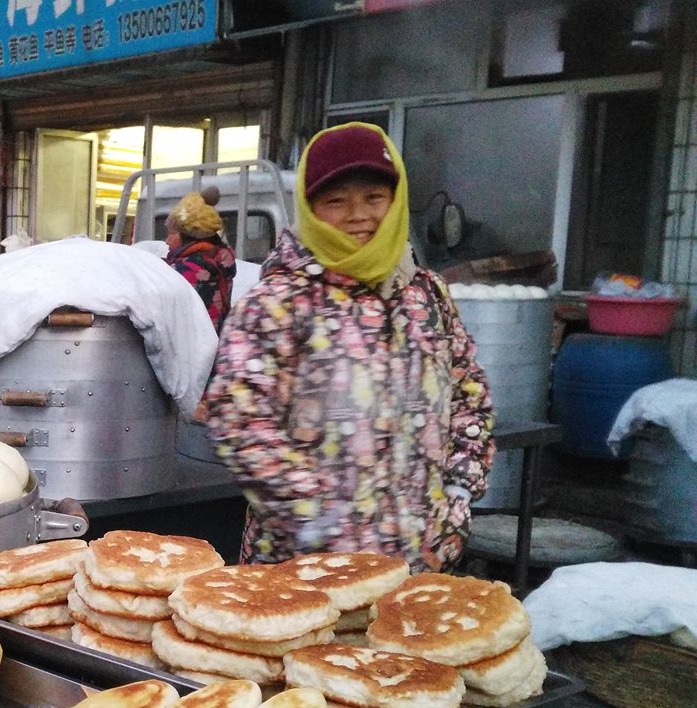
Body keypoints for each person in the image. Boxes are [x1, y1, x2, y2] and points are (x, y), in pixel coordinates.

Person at [203, 123, 494, 573]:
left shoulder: (427, 295)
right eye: (336, 201)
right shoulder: (279, 303)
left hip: (420, 563)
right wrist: (322, 523)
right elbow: (240, 418)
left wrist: (456, 498)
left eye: (374, 198)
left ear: (396, 203)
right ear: (311, 209)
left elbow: (470, 398)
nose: (359, 215)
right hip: (303, 574)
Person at [164, 187, 237, 330]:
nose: (166, 241)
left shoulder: (186, 272)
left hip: (193, 349)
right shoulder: (218, 259)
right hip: (215, 341)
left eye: (172, 234)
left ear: (190, 238)